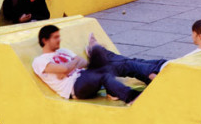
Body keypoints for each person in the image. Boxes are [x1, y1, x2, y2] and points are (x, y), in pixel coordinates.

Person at [31, 25, 167, 104]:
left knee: (116, 64)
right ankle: (130, 96)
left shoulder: (63, 51)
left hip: (85, 76)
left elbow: (83, 62)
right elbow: (66, 68)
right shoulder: (39, 61)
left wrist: (70, 66)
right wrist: (72, 64)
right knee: (102, 67)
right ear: (45, 40)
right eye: (55, 37)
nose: (59, 40)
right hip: (75, 87)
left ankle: (154, 72)